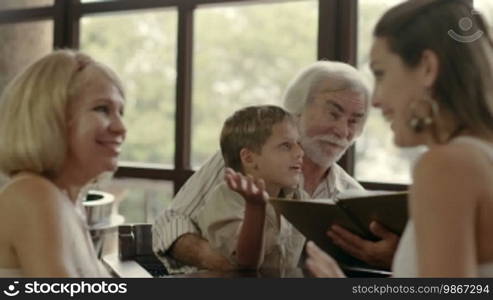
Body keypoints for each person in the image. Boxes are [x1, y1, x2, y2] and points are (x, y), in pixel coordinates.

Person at [152, 61, 395, 274]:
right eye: (333, 114)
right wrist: (214, 259)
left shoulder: (351, 196)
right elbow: (169, 221)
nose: (343, 131)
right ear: (295, 112)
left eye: (355, 121)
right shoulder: (245, 161)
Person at [307, 0, 493, 277]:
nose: (378, 100)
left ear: (427, 68)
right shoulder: (478, 158)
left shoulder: (446, 165)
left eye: (380, 74)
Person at [0, 50, 126, 277]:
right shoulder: (34, 194)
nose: (121, 128)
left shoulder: (67, 202)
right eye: (102, 109)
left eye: (121, 111)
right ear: (50, 118)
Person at [197, 105, 305, 270]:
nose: (300, 152)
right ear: (248, 158)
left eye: (298, 143)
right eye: (286, 146)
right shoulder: (225, 198)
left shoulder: (299, 198)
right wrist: (255, 207)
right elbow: (246, 264)